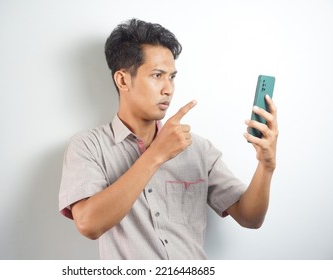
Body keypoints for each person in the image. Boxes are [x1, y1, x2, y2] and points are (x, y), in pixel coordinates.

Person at [59, 18, 278, 259]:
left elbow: (250, 218)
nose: (168, 89)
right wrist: (157, 154)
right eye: (157, 75)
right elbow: (89, 224)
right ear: (122, 80)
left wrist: (266, 166)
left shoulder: (198, 148)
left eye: (172, 77)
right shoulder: (88, 146)